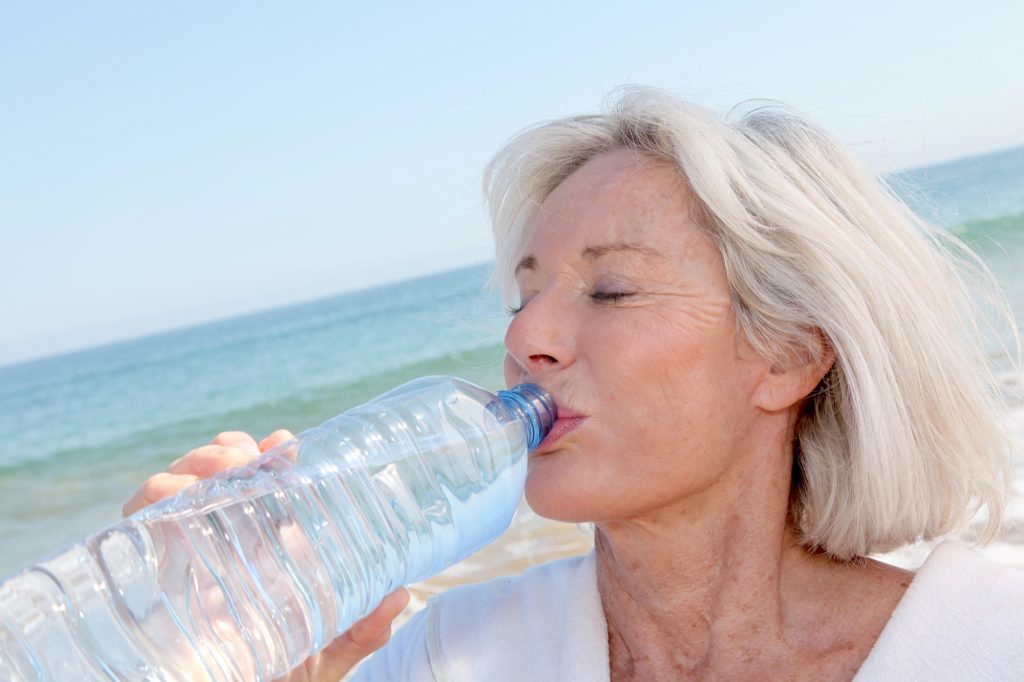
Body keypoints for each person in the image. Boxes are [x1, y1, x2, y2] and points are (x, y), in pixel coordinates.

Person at [128, 87, 1024, 680]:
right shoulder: (452, 656)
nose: (527, 337)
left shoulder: (990, 637)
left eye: (613, 288)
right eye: (523, 296)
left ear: (789, 355)